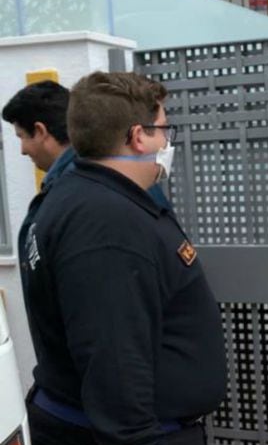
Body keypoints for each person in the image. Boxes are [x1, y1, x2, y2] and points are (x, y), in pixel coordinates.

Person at [21, 71, 226, 445]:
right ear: (138, 135)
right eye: (163, 126)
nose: (168, 138)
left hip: (111, 441)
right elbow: (112, 355)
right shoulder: (104, 223)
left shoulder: (84, 196)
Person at [2, 80, 171, 290]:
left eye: (22, 137)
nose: (22, 150)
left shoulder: (85, 191)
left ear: (40, 130)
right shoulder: (98, 179)